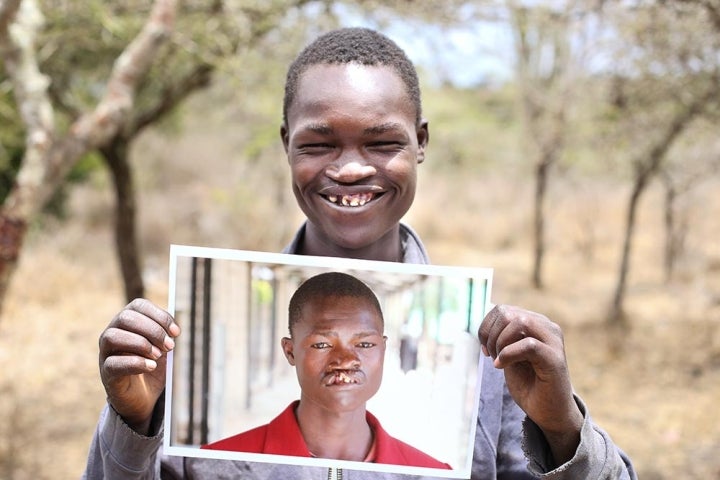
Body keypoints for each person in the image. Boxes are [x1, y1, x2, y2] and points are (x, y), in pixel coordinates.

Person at [84, 27, 637, 479]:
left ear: (421, 141)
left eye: (382, 142)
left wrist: (561, 427)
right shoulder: (183, 355)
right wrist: (132, 422)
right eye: (319, 143)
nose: (350, 169)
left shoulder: (493, 357)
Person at [202, 271, 452, 470]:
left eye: (365, 344)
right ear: (290, 352)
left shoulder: (433, 472)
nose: (345, 359)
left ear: (383, 349)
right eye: (322, 344)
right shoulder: (214, 464)